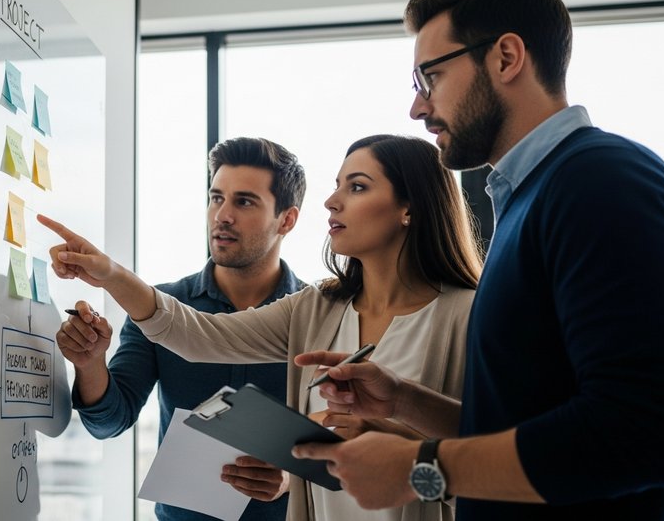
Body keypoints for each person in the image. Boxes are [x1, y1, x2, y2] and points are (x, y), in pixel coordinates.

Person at [290, 0, 664, 521]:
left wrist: (421, 468)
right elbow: (531, 422)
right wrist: (405, 400)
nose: (418, 108)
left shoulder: (602, 181)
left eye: (431, 78)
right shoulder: (531, 197)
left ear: (505, 57)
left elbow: (649, 429)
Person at [45, 133, 482, 521]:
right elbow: (194, 337)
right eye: (216, 198)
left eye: (358, 187)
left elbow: (504, 449)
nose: (332, 201)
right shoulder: (317, 309)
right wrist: (109, 274)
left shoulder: (469, 314)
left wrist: (393, 421)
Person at [59, 137, 306, 521]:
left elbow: (344, 435)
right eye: (216, 197)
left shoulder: (316, 316)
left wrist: (292, 477)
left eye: (243, 201)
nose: (222, 215)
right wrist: (90, 364)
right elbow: (110, 423)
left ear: (287, 219)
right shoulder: (160, 308)